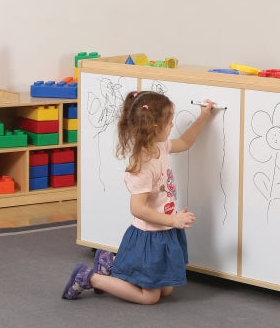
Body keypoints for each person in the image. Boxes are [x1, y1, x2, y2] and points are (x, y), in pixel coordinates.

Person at [63, 90, 218, 303]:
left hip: (164, 231)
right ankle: (90, 278)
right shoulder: (143, 165)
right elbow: (137, 209)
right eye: (170, 122)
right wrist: (173, 220)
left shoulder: (160, 146)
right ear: (156, 127)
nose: (172, 126)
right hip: (149, 237)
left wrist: (203, 116)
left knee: (166, 290)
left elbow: (185, 142)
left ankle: (111, 262)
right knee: (149, 297)